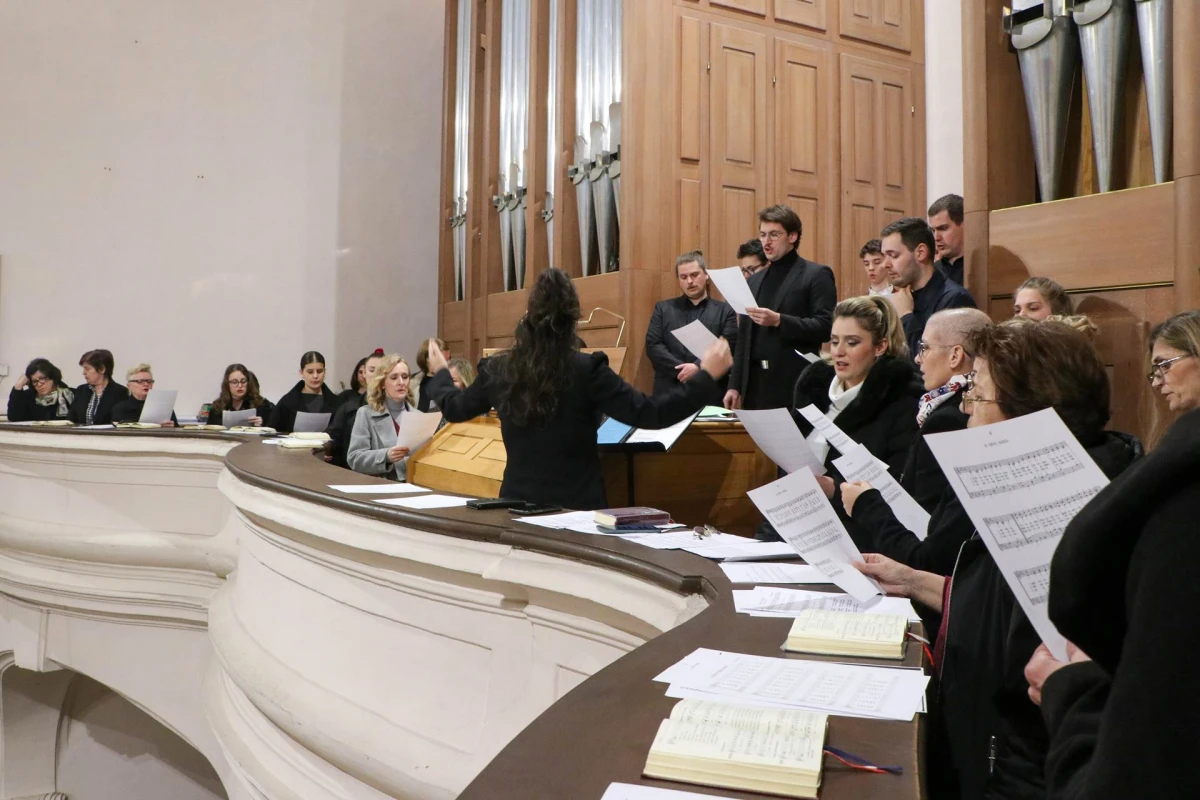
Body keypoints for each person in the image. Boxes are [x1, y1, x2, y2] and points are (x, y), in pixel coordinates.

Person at [853, 320, 1141, 800]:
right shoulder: (1050, 491)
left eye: (976, 397)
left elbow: (1031, 710)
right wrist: (915, 580)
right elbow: (999, 606)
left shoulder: (1074, 520)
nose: (966, 414)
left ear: (1025, 416)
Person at [1021, 309, 1200, 800]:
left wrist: (1073, 694)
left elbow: (1141, 764)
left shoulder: (1181, 501)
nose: (1158, 380)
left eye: (1168, 364)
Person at [422, 268, 732, 510]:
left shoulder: (499, 369)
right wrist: (707, 376)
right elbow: (652, 414)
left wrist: (438, 374)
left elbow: (455, 408)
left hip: (516, 504)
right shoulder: (588, 369)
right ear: (575, 319)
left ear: (528, 315)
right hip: (576, 508)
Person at [838, 308, 991, 574]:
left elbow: (927, 532)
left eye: (925, 348)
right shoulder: (942, 411)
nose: (918, 359)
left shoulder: (948, 420)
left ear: (955, 355)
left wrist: (867, 504)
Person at [792, 296, 923, 480]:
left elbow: (897, 484)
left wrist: (833, 490)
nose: (838, 351)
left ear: (880, 347)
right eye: (835, 341)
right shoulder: (812, 387)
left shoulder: (902, 400)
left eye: (852, 343)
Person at [724, 205, 837, 411]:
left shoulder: (816, 274)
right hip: (755, 388)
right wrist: (735, 386)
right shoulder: (753, 280)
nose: (766, 242)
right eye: (763, 235)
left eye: (774, 235)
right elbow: (744, 337)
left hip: (792, 384)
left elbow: (826, 326)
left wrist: (778, 321)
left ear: (792, 236)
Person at [645, 250, 738, 395]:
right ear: (679, 280)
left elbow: (727, 346)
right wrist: (681, 370)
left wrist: (697, 367)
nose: (689, 281)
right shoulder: (663, 309)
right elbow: (653, 345)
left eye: (694, 275)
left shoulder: (726, 311)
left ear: (706, 275)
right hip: (670, 390)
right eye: (684, 277)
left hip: (710, 390)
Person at [881, 216, 975, 360]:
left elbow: (933, 364)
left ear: (921, 253)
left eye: (893, 255)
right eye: (884, 256)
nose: (885, 264)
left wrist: (906, 316)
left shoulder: (954, 300)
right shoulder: (901, 298)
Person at [346, 354, 416, 481]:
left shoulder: (419, 416)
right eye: (394, 377)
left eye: (405, 377)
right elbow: (354, 459)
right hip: (382, 486)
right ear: (383, 383)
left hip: (415, 484)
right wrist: (386, 456)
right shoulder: (366, 414)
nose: (401, 382)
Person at [327, 351, 386, 468]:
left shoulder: (397, 408)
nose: (376, 376)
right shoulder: (349, 408)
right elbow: (333, 436)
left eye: (380, 371)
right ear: (364, 373)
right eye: (372, 370)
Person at [268, 351, 340, 434]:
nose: (315, 376)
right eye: (310, 372)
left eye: (319, 371)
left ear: (325, 372)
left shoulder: (336, 402)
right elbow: (272, 432)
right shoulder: (287, 402)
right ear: (302, 373)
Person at [69, 349, 129, 426]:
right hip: (80, 436)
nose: (83, 373)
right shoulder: (81, 390)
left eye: (87, 369)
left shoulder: (120, 391)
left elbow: (120, 422)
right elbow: (71, 419)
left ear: (102, 369)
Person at [7, 359, 74, 422]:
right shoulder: (28, 397)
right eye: (34, 381)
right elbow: (13, 418)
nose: (39, 384)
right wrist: (18, 386)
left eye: (42, 378)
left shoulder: (69, 395)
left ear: (52, 377)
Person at [207, 364, 274, 427]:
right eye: (234, 382)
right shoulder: (218, 407)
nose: (240, 386)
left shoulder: (262, 404)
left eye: (243, 381)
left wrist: (263, 424)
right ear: (227, 384)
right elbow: (210, 432)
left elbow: (274, 428)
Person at [111, 364, 178, 426]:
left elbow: (177, 429)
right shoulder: (120, 408)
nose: (146, 384)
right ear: (129, 386)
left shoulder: (163, 406)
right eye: (140, 381)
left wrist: (171, 426)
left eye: (149, 381)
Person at [928, 193, 966, 286]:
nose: (936, 238)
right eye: (933, 230)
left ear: (964, 225)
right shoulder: (932, 272)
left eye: (943, 228)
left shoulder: (984, 264)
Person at [410, 338, 449, 412]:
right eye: (442, 359)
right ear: (427, 359)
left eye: (448, 359)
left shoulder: (452, 381)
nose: (446, 363)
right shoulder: (412, 384)